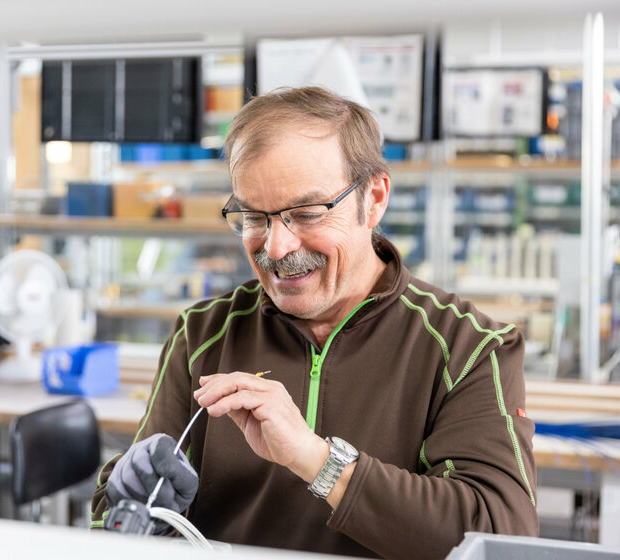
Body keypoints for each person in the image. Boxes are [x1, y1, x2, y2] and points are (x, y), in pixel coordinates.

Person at [91, 86, 538, 559]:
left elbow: (500, 534)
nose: (277, 248)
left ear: (375, 198)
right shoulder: (203, 333)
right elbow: (110, 521)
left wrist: (315, 459)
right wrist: (127, 500)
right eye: (254, 217)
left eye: (305, 214)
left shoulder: (470, 347)